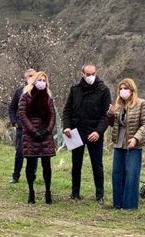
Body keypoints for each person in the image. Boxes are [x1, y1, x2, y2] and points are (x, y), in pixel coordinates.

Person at [62, 64, 111, 204]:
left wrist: (98, 131)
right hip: (77, 132)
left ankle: (99, 195)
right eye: (88, 74)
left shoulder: (104, 90)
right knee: (76, 164)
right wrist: (67, 127)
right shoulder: (75, 89)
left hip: (95, 132)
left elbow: (106, 115)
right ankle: (75, 192)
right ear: (82, 74)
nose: (91, 77)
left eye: (93, 74)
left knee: (97, 165)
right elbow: (67, 110)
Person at [107, 78, 145, 209]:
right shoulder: (118, 105)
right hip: (119, 143)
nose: (123, 91)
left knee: (132, 174)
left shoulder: (141, 103)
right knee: (117, 173)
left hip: (133, 144)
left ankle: (130, 205)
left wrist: (136, 138)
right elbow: (112, 125)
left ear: (132, 90)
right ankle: (117, 204)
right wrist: (110, 115)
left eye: (125, 88)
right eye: (121, 88)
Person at [18, 71, 57, 204]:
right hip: (31, 134)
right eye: (39, 80)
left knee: (47, 164)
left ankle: (48, 192)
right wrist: (33, 131)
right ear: (34, 81)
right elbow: (22, 115)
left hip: (45, 133)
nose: (42, 82)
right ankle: (31, 192)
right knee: (30, 163)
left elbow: (53, 115)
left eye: (44, 80)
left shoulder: (48, 97)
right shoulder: (26, 96)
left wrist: (48, 130)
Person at [8, 68, 36, 183]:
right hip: (22, 128)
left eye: (33, 76)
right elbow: (12, 108)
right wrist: (15, 122)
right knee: (20, 152)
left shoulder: (41, 91)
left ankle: (32, 175)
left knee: (34, 153)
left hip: (35, 128)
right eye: (29, 76)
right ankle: (15, 176)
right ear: (25, 77)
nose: (31, 78)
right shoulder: (19, 91)